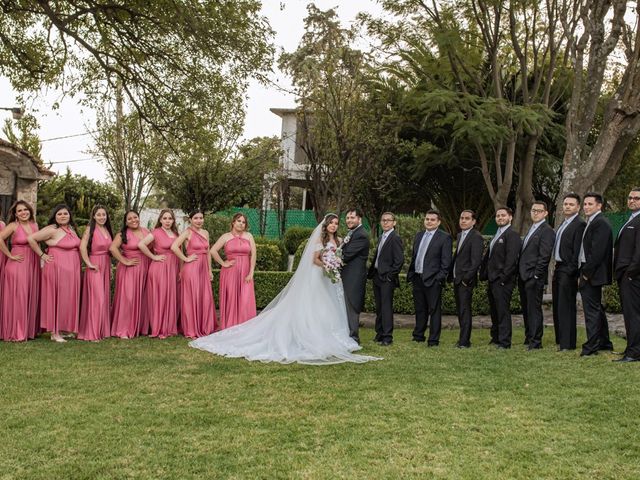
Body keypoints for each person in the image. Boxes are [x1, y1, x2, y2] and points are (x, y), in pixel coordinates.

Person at [190, 214, 380, 364]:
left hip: (330, 279)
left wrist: (334, 264)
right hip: (319, 275)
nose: (334, 225)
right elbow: (315, 259)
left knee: (329, 306)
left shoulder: (339, 239)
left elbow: (339, 255)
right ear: (325, 225)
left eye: (336, 223)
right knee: (314, 305)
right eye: (331, 223)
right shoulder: (319, 240)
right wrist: (328, 265)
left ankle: (333, 335)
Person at [27, 204, 81, 343]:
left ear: (70, 215)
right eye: (59, 214)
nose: (63, 216)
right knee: (55, 297)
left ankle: (63, 328)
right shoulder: (52, 229)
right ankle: (54, 332)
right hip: (56, 268)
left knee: (66, 298)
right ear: (55, 216)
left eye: (65, 213)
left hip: (71, 270)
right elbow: (31, 239)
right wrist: (42, 255)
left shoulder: (72, 230)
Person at [407, 210, 452, 346]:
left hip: (433, 280)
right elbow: (416, 256)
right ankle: (418, 335)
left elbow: (446, 262)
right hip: (418, 278)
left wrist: (439, 278)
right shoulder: (419, 235)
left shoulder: (444, 237)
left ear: (438, 222)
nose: (429, 222)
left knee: (434, 310)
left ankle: (433, 339)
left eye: (432, 220)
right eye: (427, 219)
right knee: (420, 309)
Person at [480, 207, 521, 349]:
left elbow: (511, 260)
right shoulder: (496, 234)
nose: (500, 218)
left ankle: (504, 341)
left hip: (503, 280)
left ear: (510, 217)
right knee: (495, 311)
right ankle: (496, 337)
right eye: (498, 215)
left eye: (503, 215)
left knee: (502, 311)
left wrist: (503, 278)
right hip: (492, 280)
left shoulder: (512, 235)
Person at [578, 193, 614, 356]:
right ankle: (604, 342)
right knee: (596, 309)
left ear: (599, 206)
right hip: (590, 272)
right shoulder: (592, 222)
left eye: (590, 204)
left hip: (592, 273)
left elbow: (597, 253)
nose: (586, 207)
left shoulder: (601, 223)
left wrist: (586, 274)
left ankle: (592, 346)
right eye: (585, 204)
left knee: (591, 311)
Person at [171, 210, 216, 338]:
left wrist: (210, 270)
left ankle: (204, 326)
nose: (199, 220)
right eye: (196, 218)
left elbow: (207, 252)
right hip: (192, 268)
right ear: (190, 220)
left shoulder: (206, 233)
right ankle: (191, 328)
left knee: (205, 297)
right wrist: (186, 259)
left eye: (201, 218)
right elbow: (174, 247)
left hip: (203, 269)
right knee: (192, 297)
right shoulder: (187, 232)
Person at [0, 201, 40, 341]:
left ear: (30, 211)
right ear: (15, 214)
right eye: (20, 211)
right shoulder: (13, 226)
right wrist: (9, 255)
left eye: (25, 210)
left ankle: (28, 330)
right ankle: (16, 331)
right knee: (19, 297)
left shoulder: (35, 226)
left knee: (30, 294)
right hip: (18, 264)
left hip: (32, 264)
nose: (23, 212)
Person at [210, 213, 257, 330]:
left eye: (243, 222)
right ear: (233, 222)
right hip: (230, 272)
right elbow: (213, 251)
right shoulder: (225, 237)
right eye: (239, 221)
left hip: (246, 272)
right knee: (231, 299)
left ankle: (245, 328)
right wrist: (223, 263)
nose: (241, 223)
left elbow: (253, 254)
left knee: (246, 300)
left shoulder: (249, 236)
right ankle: (230, 327)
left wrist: (251, 272)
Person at [138, 209, 180, 339]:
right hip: (160, 268)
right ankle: (159, 328)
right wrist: (153, 257)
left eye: (170, 218)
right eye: (165, 218)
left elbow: (180, 251)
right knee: (160, 296)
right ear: (160, 220)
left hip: (173, 267)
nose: (167, 221)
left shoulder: (175, 233)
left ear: (173, 220)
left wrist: (181, 270)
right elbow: (141, 244)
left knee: (170, 296)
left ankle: (168, 327)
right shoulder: (155, 232)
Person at [552, 193, 586, 351]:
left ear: (578, 207)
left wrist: (572, 271)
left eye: (571, 204)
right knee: (558, 306)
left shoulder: (579, 224)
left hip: (568, 269)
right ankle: (561, 340)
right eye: (565, 204)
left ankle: (568, 344)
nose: (567, 206)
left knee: (566, 307)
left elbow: (577, 251)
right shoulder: (563, 224)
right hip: (558, 268)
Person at [110, 210, 151, 338]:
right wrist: (124, 261)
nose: (133, 220)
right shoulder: (123, 234)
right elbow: (112, 248)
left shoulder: (146, 231)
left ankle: (139, 327)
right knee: (128, 298)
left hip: (145, 266)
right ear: (126, 222)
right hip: (129, 269)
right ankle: (124, 328)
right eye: (130, 219)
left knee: (143, 297)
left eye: (135, 217)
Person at [449, 210, 484, 348]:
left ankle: (464, 342)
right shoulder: (460, 235)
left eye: (467, 218)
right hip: (457, 279)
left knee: (465, 311)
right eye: (461, 218)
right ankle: (462, 339)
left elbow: (475, 261)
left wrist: (466, 278)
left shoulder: (476, 237)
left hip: (465, 281)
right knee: (460, 311)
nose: (463, 220)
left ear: (473, 221)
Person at [367, 212, 404, 346]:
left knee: (386, 307)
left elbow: (399, 261)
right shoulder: (382, 236)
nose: (385, 222)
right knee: (379, 308)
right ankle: (379, 334)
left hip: (386, 278)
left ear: (394, 223)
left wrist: (390, 276)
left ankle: (387, 337)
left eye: (388, 220)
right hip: (377, 276)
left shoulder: (395, 238)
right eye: (383, 220)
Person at [612, 188, 640, 363]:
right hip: (626, 275)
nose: (632, 200)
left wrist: (630, 272)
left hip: (633, 277)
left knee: (633, 314)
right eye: (630, 197)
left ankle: (634, 353)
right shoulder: (630, 219)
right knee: (630, 315)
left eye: (636, 198)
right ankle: (632, 348)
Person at [78, 205, 114, 341]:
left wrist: (110, 269)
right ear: (93, 216)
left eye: (104, 215)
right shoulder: (89, 229)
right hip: (95, 265)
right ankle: (91, 334)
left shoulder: (106, 229)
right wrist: (88, 263)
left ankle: (101, 330)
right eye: (98, 215)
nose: (102, 217)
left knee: (104, 298)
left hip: (105, 264)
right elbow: (82, 247)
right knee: (97, 299)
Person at [341, 208, 370, 344]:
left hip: (354, 278)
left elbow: (346, 255)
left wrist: (328, 256)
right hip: (346, 276)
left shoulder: (361, 235)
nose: (349, 220)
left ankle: (353, 338)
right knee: (344, 308)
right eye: (347, 218)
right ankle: (346, 336)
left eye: (352, 217)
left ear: (359, 219)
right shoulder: (352, 233)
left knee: (351, 306)